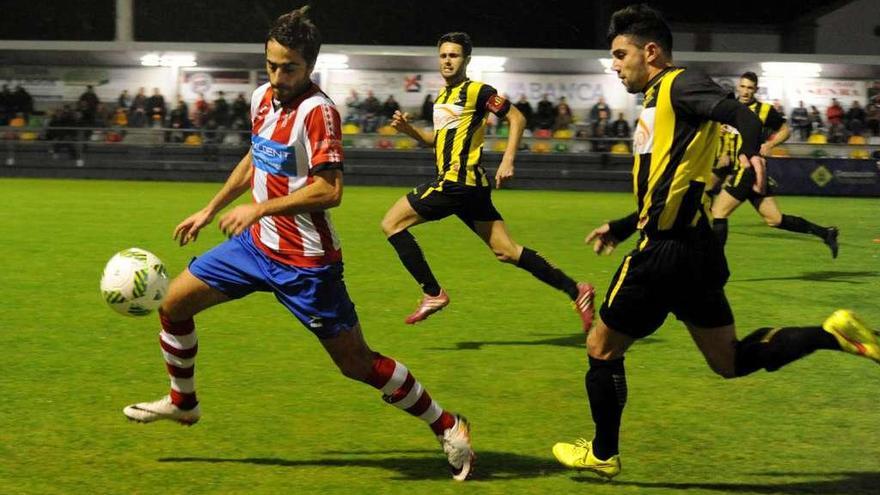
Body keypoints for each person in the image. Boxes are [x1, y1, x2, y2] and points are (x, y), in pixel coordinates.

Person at [121, 7, 474, 481]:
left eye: (288, 68)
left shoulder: (318, 111)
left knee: (356, 364)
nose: (277, 75)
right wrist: (211, 208)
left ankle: (447, 424)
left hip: (307, 265)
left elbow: (331, 191)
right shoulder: (262, 99)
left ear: (309, 65)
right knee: (174, 306)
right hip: (255, 248)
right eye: (271, 64)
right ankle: (184, 403)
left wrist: (259, 208)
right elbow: (256, 157)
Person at [551, 4, 880, 480]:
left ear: (651, 51)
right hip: (693, 248)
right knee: (727, 361)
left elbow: (739, 114)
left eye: (621, 54)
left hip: (663, 254)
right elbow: (672, 184)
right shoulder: (658, 100)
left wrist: (750, 152)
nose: (615, 64)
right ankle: (832, 335)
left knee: (602, 348)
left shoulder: (678, 84)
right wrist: (623, 225)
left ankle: (603, 453)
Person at [383, 31, 595, 329]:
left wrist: (508, 160)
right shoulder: (442, 98)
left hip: (458, 182)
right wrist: (409, 131)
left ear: (466, 59)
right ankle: (577, 290)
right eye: (443, 55)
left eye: (453, 55)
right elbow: (437, 141)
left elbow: (517, 118)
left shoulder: (478, 92)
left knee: (391, 223)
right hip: (471, 188)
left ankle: (432, 293)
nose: (447, 60)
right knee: (507, 251)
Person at [710, 71, 838, 258]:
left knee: (718, 212)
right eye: (743, 87)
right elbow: (717, 132)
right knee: (775, 219)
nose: (745, 92)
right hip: (732, 168)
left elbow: (785, 130)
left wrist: (770, 143)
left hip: (747, 169)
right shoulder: (728, 108)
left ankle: (713, 266)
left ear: (756, 90)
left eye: (750, 88)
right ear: (738, 86)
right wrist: (721, 153)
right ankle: (826, 233)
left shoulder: (764, 111)